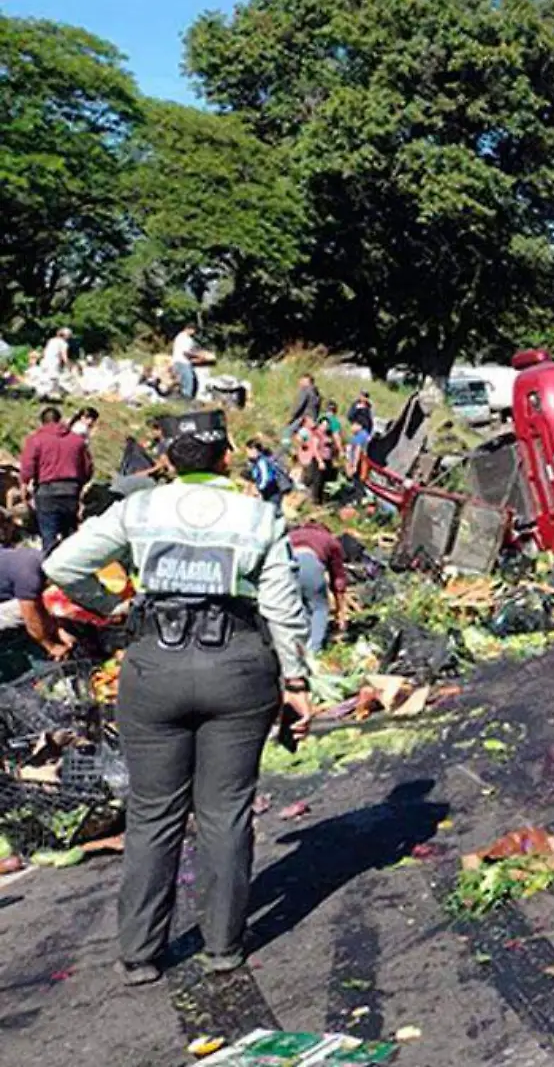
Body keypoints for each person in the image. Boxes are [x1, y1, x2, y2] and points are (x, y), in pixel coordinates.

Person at [43, 415, 313, 986]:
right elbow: (285, 609)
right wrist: (296, 683)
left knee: (153, 812)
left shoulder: (138, 509)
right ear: (225, 459)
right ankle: (222, 947)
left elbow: (61, 564)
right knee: (226, 811)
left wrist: (111, 605)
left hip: (155, 666)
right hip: (238, 667)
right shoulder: (259, 515)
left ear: (166, 458)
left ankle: (140, 954)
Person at [0, 528, 75, 680]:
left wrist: (59, 628)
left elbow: (49, 603)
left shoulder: (38, 559)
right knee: (26, 611)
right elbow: (31, 617)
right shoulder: (30, 576)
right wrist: (51, 646)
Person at [20, 405, 94, 550]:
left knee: (49, 536)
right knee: (70, 536)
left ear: (42, 422)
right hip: (71, 491)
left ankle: (49, 567)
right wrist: (79, 486)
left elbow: (28, 466)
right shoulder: (77, 441)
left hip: (47, 491)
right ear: (60, 420)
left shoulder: (35, 440)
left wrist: (24, 484)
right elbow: (88, 468)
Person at [288, 519, 347, 655]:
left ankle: (292, 649)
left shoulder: (292, 534)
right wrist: (340, 611)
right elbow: (338, 579)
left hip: (284, 564)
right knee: (319, 608)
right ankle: (313, 651)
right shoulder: (330, 540)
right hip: (308, 561)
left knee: (296, 607)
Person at [170, 326, 214, 401]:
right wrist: (200, 356)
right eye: (193, 330)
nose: (194, 332)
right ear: (188, 329)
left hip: (185, 362)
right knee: (188, 380)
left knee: (183, 382)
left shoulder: (188, 339)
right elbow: (185, 352)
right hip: (181, 362)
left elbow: (192, 350)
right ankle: (186, 399)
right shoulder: (182, 338)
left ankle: (182, 398)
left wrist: (200, 354)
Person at [244, 439, 289, 508]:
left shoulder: (262, 461)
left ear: (254, 450)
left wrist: (258, 489)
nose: (247, 453)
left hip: (271, 492)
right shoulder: (255, 462)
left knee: (273, 512)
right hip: (268, 492)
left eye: (248, 451)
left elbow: (265, 478)